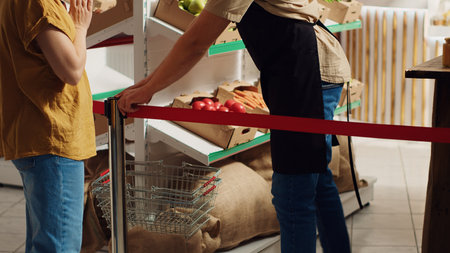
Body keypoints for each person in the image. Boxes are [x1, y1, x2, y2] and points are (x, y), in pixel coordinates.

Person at [117, 0, 351, 252]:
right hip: (308, 67)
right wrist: (145, 87)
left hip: (306, 71)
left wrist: (149, 89)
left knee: (293, 193)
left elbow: (196, 43)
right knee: (316, 182)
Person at [0, 0, 96, 252]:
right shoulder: (39, 4)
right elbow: (71, 70)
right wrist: (80, 26)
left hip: (37, 135)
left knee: (43, 242)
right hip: (52, 137)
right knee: (59, 246)